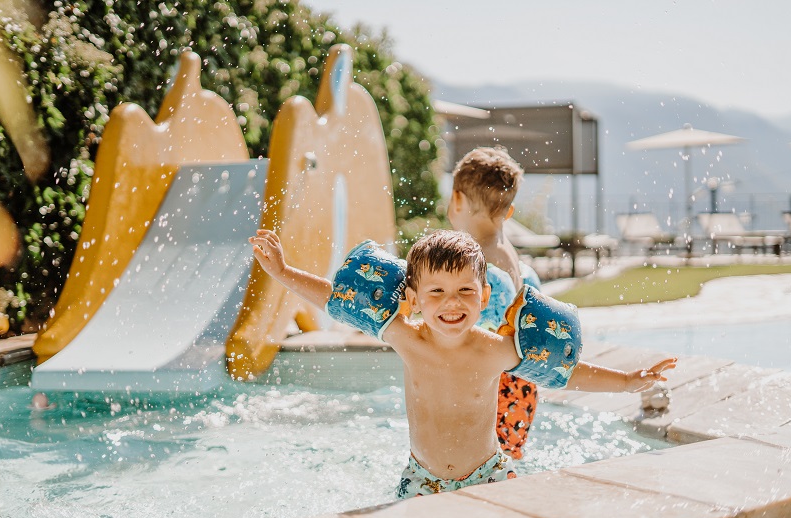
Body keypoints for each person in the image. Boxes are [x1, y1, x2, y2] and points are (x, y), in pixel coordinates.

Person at [249, 228, 676, 498]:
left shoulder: (494, 349)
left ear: (484, 296)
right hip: (423, 478)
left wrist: (626, 382)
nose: (451, 303)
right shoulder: (405, 337)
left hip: (489, 475)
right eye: (436, 292)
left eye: (465, 291)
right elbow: (339, 300)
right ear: (413, 299)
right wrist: (283, 272)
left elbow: (560, 372)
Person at [447, 146, 541, 459]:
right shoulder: (509, 254)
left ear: (457, 199)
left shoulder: (475, 262)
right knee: (501, 462)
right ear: (509, 211)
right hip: (521, 386)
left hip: (488, 388)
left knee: (465, 463)